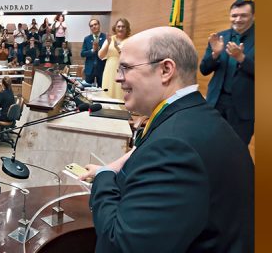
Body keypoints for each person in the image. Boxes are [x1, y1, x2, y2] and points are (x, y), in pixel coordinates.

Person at [80, 27, 253, 251]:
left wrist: (104, 177)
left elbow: (121, 245)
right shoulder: (193, 116)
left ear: (165, 70)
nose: (116, 77)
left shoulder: (174, 147)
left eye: (126, 68)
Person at [200, 0, 255, 145]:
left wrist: (241, 58)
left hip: (243, 108)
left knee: (236, 150)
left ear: (253, 16)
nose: (238, 19)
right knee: (210, 144)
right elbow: (204, 70)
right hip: (216, 102)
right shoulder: (219, 37)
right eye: (234, 15)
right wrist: (215, 55)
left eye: (243, 15)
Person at [101, 18, 131, 99]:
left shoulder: (130, 40)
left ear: (127, 28)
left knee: (120, 92)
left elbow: (130, 57)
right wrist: (108, 43)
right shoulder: (110, 39)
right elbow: (100, 55)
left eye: (123, 26)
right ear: (115, 28)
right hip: (109, 69)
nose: (120, 29)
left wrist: (117, 48)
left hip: (123, 70)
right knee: (108, 90)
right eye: (118, 26)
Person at [83, 19, 108, 87]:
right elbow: (82, 53)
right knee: (87, 90)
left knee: (103, 88)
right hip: (89, 69)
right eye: (91, 26)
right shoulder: (87, 38)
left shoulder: (106, 37)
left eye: (95, 24)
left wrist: (99, 49)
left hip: (102, 68)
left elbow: (108, 52)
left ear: (99, 25)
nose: (94, 26)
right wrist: (92, 50)